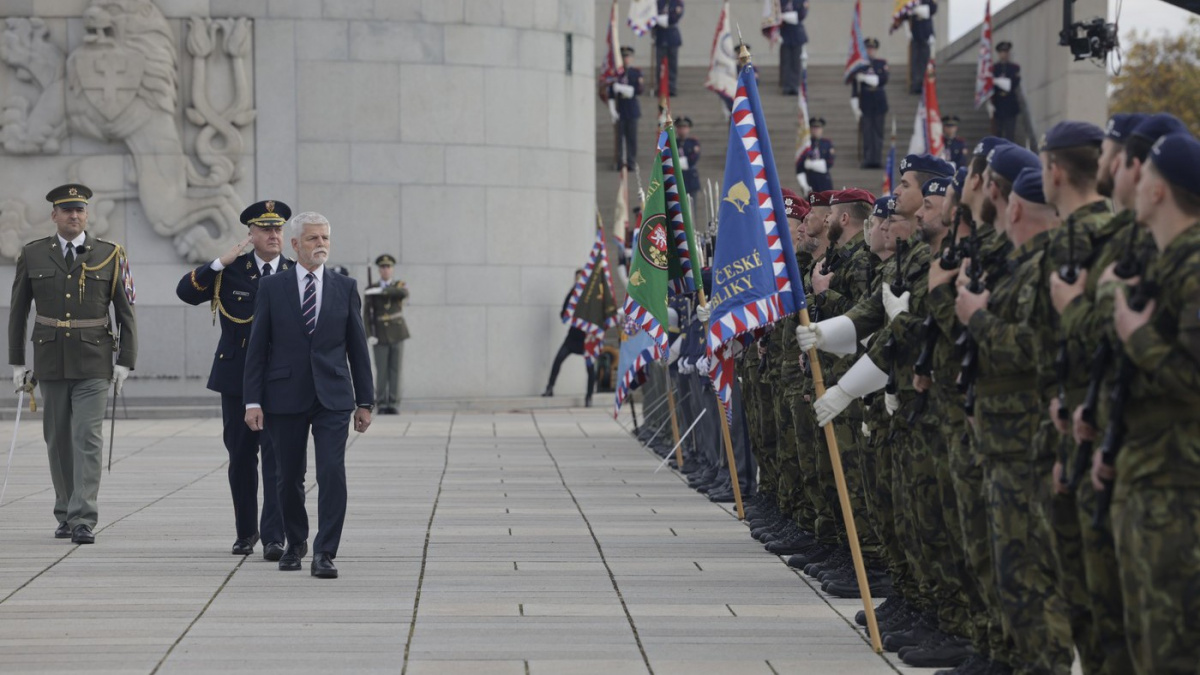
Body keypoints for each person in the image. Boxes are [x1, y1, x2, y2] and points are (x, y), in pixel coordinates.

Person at [243, 211, 374, 579]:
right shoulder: (272, 288)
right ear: (295, 243)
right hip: (284, 396)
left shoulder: (345, 287)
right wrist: (252, 401)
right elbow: (257, 349)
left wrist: (365, 401)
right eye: (313, 238)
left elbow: (358, 348)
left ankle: (325, 551)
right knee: (287, 477)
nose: (321, 245)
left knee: (332, 472)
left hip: (333, 395)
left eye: (325, 238)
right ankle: (295, 542)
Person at [8, 183, 137, 545]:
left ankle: (83, 517)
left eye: (79, 210)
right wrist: (17, 363)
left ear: (87, 214)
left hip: (94, 360)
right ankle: (65, 510)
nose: (74, 216)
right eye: (67, 210)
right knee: (58, 439)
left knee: (87, 436)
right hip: (50, 360)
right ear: (54, 215)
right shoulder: (33, 254)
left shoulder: (109, 254)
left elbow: (125, 311)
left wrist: (126, 360)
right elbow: (18, 312)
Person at [175, 200, 293, 560]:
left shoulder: (294, 272)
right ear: (251, 234)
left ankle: (274, 536)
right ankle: (246, 532)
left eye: (278, 229)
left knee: (277, 460)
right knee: (241, 457)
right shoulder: (231, 271)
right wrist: (217, 262)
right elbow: (186, 293)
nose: (273, 235)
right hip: (237, 377)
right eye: (265, 229)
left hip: (281, 378)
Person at [541, 270, 596, 405]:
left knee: (590, 368)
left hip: (587, 337)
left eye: (581, 279)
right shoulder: (572, 295)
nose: (579, 281)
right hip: (573, 336)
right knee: (558, 358)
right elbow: (563, 314)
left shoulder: (591, 297)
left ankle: (589, 397)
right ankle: (550, 388)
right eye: (577, 279)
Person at [363, 254, 409, 415]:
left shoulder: (398, 285)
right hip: (380, 334)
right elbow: (367, 314)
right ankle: (382, 402)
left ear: (392, 269)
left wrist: (382, 291)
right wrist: (369, 334)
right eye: (382, 267)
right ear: (379, 270)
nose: (385, 270)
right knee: (381, 371)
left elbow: (403, 293)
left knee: (395, 370)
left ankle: (394, 402)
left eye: (388, 267)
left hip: (398, 333)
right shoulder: (371, 288)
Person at [850, 38, 889, 169]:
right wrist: (855, 106)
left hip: (878, 101)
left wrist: (865, 78)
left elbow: (882, 79)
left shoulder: (881, 63)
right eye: (868, 48)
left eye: (872, 48)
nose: (870, 50)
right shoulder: (859, 65)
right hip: (865, 102)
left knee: (878, 132)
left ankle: (876, 159)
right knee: (867, 132)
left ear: (876, 50)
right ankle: (867, 159)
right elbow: (855, 89)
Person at [610, 46, 644, 171]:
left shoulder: (635, 73)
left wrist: (621, 88)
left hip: (631, 108)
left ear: (631, 58)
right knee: (620, 137)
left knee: (631, 138)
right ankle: (620, 161)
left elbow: (638, 90)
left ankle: (631, 161)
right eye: (623, 56)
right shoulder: (615, 74)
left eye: (628, 56)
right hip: (620, 108)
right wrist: (612, 109)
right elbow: (610, 93)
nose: (626, 59)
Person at [903, 0, 938, 95]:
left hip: (926, 35)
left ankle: (925, 84)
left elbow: (932, 10)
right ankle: (915, 84)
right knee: (915, 61)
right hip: (915, 35)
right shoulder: (910, 2)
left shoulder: (928, 1)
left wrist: (915, 10)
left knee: (925, 61)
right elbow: (905, 15)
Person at [796, 117, 835, 194]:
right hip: (810, 180)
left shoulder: (827, 143)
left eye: (818, 127)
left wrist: (811, 164)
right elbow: (800, 166)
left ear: (822, 129)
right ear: (810, 129)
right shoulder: (806, 145)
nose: (816, 130)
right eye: (814, 127)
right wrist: (804, 185)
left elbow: (829, 163)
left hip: (824, 181)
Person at [652, 0, 683, 96]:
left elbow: (675, 18)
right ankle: (660, 86)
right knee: (660, 65)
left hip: (672, 36)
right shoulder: (657, 2)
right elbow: (652, 17)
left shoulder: (678, 2)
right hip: (660, 36)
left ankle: (672, 87)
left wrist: (664, 17)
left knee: (672, 65)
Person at [991, 41, 1021, 141]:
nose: (1004, 54)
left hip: (1010, 104)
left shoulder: (1014, 68)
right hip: (998, 104)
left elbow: (1013, 84)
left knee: (1010, 133)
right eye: (1002, 52)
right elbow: (991, 86)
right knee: (998, 133)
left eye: (1006, 52)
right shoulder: (994, 69)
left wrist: (998, 81)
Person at [779, 0, 809, 95]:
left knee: (796, 62)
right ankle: (786, 86)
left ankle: (795, 85)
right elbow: (777, 15)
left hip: (797, 35)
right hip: (785, 34)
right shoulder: (781, 1)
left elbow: (800, 16)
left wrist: (784, 16)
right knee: (786, 62)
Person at [677, 116, 701, 198]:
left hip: (690, 179)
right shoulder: (673, 143)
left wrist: (679, 162)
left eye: (684, 127)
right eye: (680, 127)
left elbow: (693, 159)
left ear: (688, 129)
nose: (682, 130)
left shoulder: (693, 142)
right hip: (677, 178)